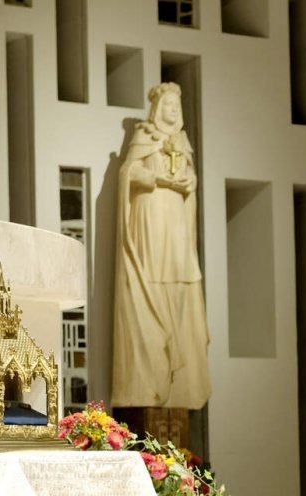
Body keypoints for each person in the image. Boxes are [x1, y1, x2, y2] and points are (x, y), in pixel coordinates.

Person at [113, 82, 211, 410]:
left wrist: (190, 183)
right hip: (151, 215)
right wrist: (157, 180)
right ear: (157, 109)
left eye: (176, 106)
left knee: (179, 282)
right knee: (152, 279)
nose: (172, 111)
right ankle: (151, 362)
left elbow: (190, 178)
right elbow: (129, 172)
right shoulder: (144, 136)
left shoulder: (182, 142)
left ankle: (178, 358)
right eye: (167, 105)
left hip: (176, 219)